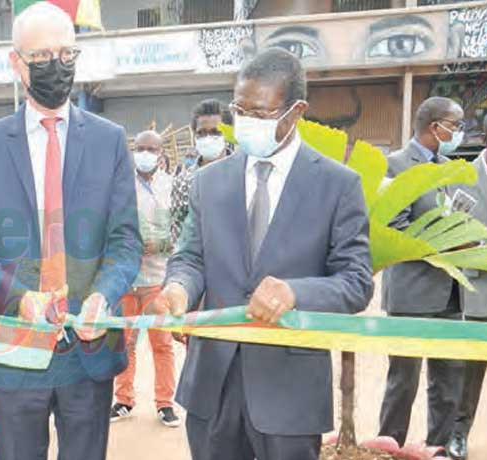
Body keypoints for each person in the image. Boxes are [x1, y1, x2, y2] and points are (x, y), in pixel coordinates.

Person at [152, 48, 374, 460]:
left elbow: (356, 281)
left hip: (289, 391)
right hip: (212, 383)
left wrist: (295, 293)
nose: (247, 123)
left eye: (261, 113)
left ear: (296, 112)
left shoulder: (337, 185)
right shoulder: (208, 182)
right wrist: (179, 289)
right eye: (240, 110)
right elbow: (190, 257)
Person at [0, 4, 142, 459]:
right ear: (16, 63)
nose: (56, 67)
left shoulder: (109, 140)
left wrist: (103, 295)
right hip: (15, 353)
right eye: (41, 57)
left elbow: (124, 240)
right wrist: (19, 298)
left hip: (89, 350)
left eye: (66, 53)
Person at [378, 96, 467, 450]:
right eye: (456, 125)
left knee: (448, 380)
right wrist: (444, 240)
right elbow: (394, 227)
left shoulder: (449, 166)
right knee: (404, 382)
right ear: (436, 126)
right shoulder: (396, 165)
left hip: (449, 293)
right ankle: (390, 449)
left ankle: (438, 448)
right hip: (412, 293)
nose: (459, 132)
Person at [109, 130, 179, 428]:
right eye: (141, 148)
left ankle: (165, 403)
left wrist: (161, 245)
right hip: (126, 280)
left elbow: (184, 231)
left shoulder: (172, 186)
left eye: (152, 149)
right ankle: (124, 399)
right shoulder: (120, 185)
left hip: (156, 280)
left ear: (161, 155)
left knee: (162, 344)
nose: (146, 154)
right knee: (123, 343)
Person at [444, 107, 487, 460]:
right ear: (484, 137)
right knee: (469, 370)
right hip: (482, 289)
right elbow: (450, 234)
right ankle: (459, 435)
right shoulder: (461, 179)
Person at [170, 99, 233, 245]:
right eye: (201, 133)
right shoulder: (183, 182)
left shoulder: (244, 175)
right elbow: (178, 232)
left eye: (215, 132)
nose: (208, 138)